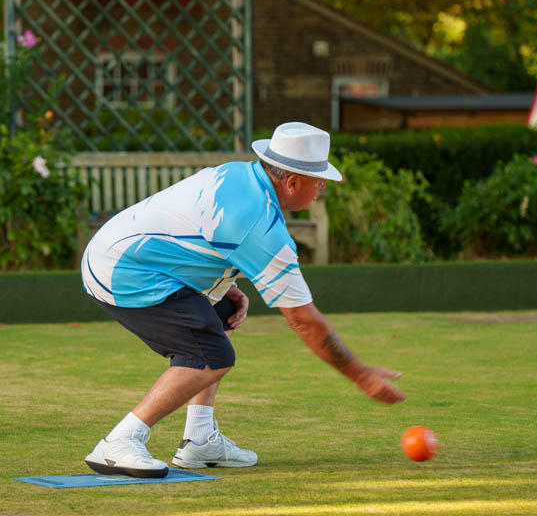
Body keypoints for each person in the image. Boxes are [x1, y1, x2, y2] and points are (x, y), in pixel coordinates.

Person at [81, 122, 406, 478]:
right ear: (292, 182)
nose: (323, 186)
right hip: (123, 271)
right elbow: (303, 319)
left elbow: (190, 228)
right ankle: (120, 441)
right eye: (318, 178)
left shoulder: (240, 175)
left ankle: (200, 439)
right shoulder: (261, 226)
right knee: (210, 356)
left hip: (119, 252)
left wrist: (222, 283)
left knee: (223, 311)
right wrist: (362, 376)